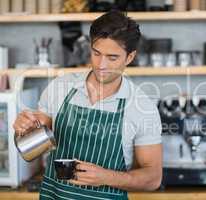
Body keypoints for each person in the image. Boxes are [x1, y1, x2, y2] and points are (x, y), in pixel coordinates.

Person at [13, 11, 162, 200]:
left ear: (130, 57)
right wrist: (22, 130)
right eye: (96, 53)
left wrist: (106, 177)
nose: (101, 64)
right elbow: (31, 150)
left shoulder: (142, 106)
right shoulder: (60, 88)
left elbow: (153, 178)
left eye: (112, 57)